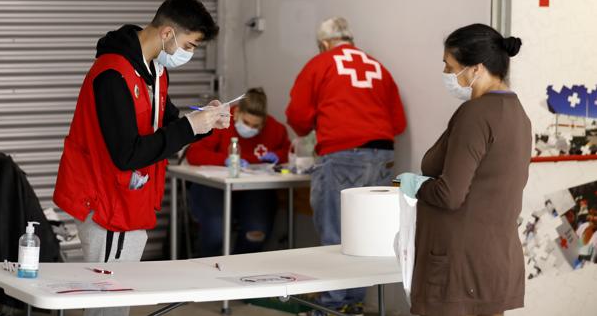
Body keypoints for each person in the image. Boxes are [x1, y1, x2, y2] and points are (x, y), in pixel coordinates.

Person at [53, 0, 227, 316]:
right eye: (189, 46)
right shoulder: (112, 74)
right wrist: (190, 127)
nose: (189, 54)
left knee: (119, 303)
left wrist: (208, 120)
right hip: (104, 204)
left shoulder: (155, 71)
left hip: (131, 201)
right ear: (167, 33)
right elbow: (126, 153)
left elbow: (169, 120)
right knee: (107, 306)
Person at [398, 23, 531, 316]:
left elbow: (450, 195)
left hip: (460, 268)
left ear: (475, 69)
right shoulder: (517, 113)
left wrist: (415, 185)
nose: (447, 75)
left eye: (450, 67)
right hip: (495, 260)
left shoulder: (476, 114)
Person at [285, 17, 406, 316]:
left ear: (324, 43)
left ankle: (333, 307)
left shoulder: (320, 64)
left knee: (334, 235)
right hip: (381, 155)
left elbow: (298, 117)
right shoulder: (379, 67)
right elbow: (398, 122)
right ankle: (353, 304)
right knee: (365, 234)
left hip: (341, 157)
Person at [186, 87, 291, 257]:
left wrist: (277, 156)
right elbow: (194, 153)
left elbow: (287, 150)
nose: (250, 128)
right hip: (214, 188)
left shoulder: (275, 128)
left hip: (253, 191)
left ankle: (236, 268)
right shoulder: (220, 121)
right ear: (237, 112)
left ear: (263, 122)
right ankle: (206, 270)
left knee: (256, 234)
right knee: (215, 235)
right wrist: (225, 160)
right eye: (246, 122)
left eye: (256, 126)